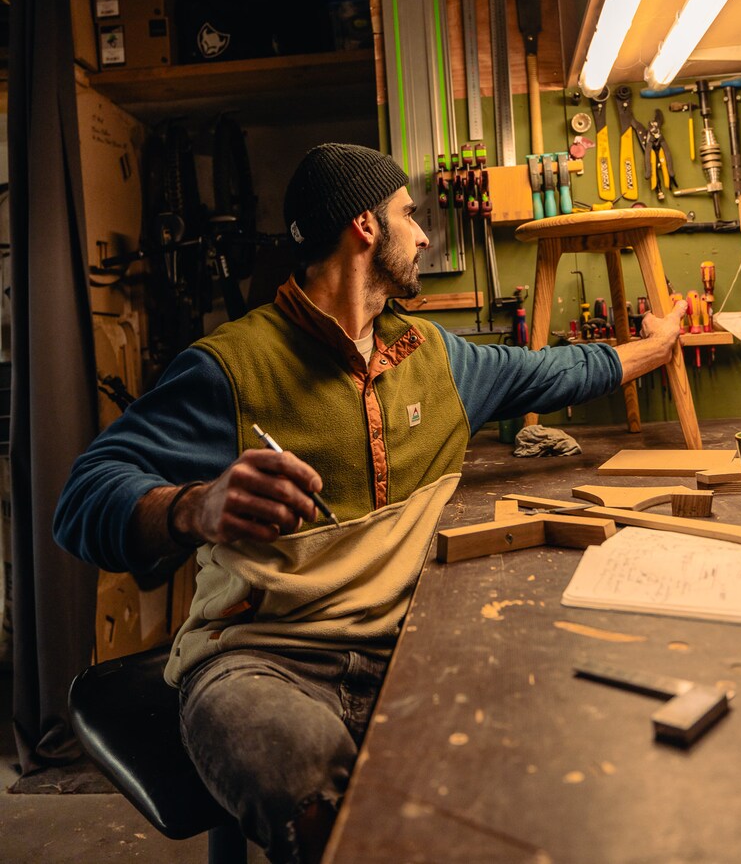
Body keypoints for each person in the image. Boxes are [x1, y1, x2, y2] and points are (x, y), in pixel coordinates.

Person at [54, 142, 686, 863]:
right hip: (262, 660)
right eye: (409, 215)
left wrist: (658, 345)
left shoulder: (437, 358)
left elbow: (558, 370)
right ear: (364, 227)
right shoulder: (229, 366)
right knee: (303, 785)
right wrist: (194, 507)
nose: (422, 234)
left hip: (414, 648)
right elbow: (82, 498)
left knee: (530, 768)